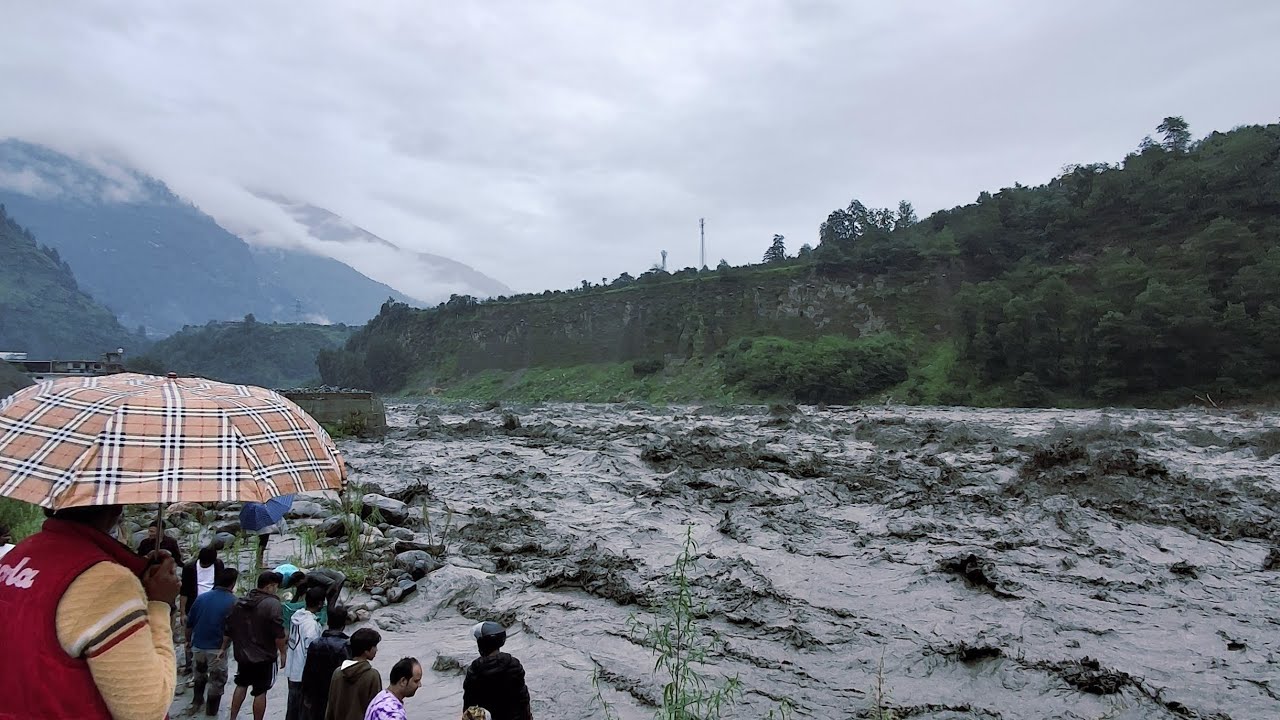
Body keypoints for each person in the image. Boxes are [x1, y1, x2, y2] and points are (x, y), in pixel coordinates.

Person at [0, 504, 180, 719]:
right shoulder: (107, 582)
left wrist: (135, 568)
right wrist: (159, 603)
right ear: (116, 509)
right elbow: (147, 711)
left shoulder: (19, 554)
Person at [224, 570, 287, 720]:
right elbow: (278, 632)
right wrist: (283, 653)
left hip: (243, 654)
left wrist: (224, 647)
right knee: (260, 691)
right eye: (275, 586)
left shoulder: (241, 601)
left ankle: (232, 717)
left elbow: (230, 627)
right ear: (270, 586)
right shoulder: (272, 604)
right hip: (264, 657)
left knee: (241, 684)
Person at [186, 566, 240, 716]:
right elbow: (234, 629)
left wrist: (188, 642)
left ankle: (197, 702)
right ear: (233, 584)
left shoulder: (201, 598)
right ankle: (211, 713)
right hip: (217, 648)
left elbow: (189, 624)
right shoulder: (234, 602)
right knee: (217, 682)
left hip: (198, 646)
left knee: (199, 676)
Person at [463, 621, 533, 720]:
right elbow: (524, 698)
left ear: (481, 645)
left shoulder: (475, 670)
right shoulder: (514, 664)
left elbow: (469, 705)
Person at [179, 545, 225, 674]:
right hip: (194, 605)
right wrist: (182, 612)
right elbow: (184, 592)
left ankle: (209, 664)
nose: (205, 566)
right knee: (189, 636)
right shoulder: (189, 568)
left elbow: (221, 585)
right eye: (203, 564)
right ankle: (189, 665)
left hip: (213, 606)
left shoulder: (218, 565)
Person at [301, 605, 351, 720]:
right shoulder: (347, 645)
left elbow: (308, 671)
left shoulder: (315, 643)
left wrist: (306, 695)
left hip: (317, 694)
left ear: (328, 622)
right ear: (344, 623)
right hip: (337, 694)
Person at [285, 586, 326, 720]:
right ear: (320, 603)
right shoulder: (311, 625)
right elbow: (312, 653)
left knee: (292, 708)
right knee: (304, 711)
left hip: (292, 669)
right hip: (303, 672)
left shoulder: (296, 617)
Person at [324, 627, 382, 720]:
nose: (376, 650)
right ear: (366, 651)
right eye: (374, 646)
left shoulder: (338, 672)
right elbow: (375, 710)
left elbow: (331, 706)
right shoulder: (372, 675)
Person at [278, 563, 347, 613]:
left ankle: (333, 620)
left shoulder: (315, 577)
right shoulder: (302, 584)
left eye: (296, 584)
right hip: (325, 584)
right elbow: (297, 596)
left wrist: (326, 594)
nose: (296, 586)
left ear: (301, 580)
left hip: (337, 581)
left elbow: (332, 583)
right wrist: (289, 606)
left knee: (330, 604)